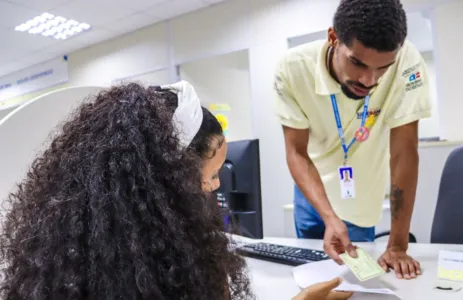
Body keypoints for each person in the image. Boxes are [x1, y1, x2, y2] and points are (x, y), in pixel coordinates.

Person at [0, 82, 352, 299]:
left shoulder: (71, 257)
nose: (216, 185)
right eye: (212, 173)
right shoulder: (172, 268)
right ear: (170, 176)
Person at [273, 0, 431, 280]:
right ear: (333, 38)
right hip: (310, 191)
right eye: (357, 62)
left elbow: (405, 152)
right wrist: (329, 216)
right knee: (309, 278)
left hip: (359, 198)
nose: (369, 80)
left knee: (357, 285)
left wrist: (397, 245)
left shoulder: (407, 62)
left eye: (383, 68)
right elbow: (296, 151)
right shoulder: (293, 69)